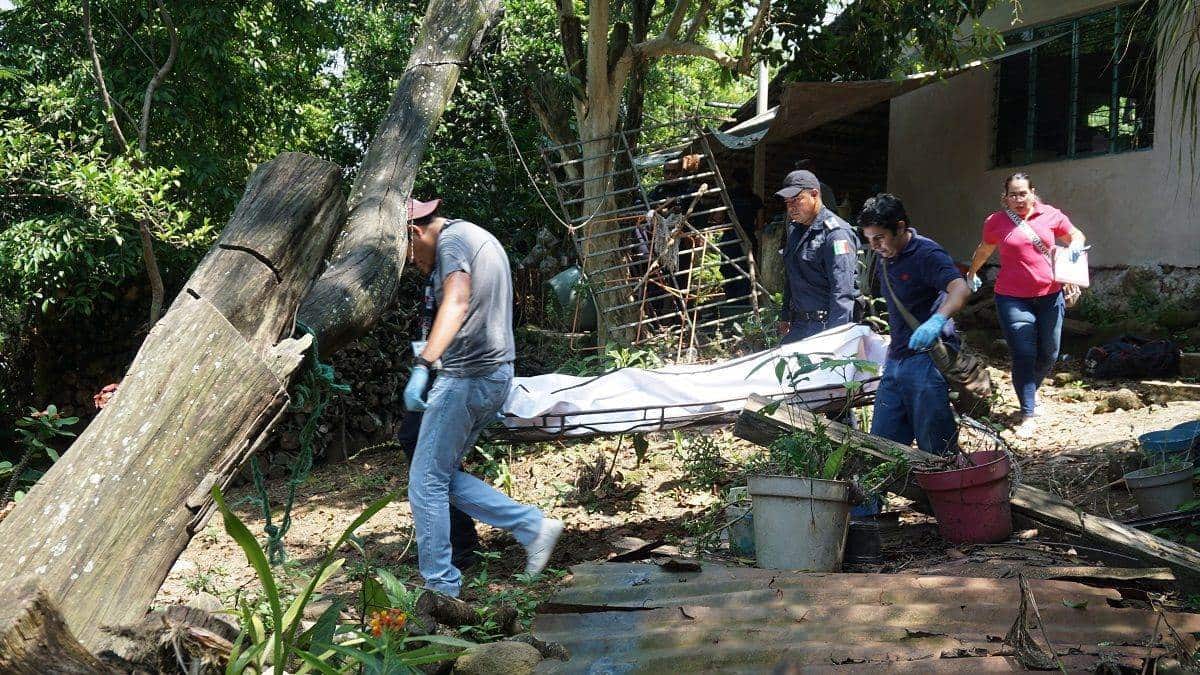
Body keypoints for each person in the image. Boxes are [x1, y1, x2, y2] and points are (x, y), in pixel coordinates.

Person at [402, 197, 563, 598]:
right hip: (495, 374)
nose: (414, 265)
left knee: (425, 482)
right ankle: (531, 526)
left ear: (415, 232)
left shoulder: (453, 242)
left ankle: (441, 587)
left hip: (466, 377)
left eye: (408, 255)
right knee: (441, 477)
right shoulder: (478, 236)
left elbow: (456, 300)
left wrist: (424, 364)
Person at [965, 173, 1087, 439]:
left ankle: (1030, 391)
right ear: (1005, 198)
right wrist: (972, 272)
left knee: (1050, 353)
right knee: (1023, 353)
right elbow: (985, 249)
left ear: (1033, 192)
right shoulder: (996, 222)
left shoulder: (1051, 215)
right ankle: (1028, 412)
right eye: (1013, 195)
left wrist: (1076, 246)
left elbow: (1075, 234)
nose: (1018, 199)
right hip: (1012, 297)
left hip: (1050, 295)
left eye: (1023, 193)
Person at [858, 193, 970, 456]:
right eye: (869, 240)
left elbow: (960, 288)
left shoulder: (926, 253)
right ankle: (871, 499)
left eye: (879, 238)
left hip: (927, 361)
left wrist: (937, 320)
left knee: (936, 449)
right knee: (880, 449)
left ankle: (944, 497)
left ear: (899, 227)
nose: (875, 246)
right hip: (895, 360)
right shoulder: (886, 257)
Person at [395, 272, 480, 572]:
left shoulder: (453, 265)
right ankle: (461, 540)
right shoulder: (436, 270)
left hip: (451, 371)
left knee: (429, 455)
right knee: (427, 451)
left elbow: (460, 315)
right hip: (435, 368)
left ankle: (462, 544)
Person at [775, 169, 859, 344]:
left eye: (797, 200)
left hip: (826, 325)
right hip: (800, 325)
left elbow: (843, 291)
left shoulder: (836, 233)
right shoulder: (795, 230)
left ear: (814, 194)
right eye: (787, 202)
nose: (791, 207)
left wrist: (837, 338)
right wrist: (785, 315)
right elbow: (792, 276)